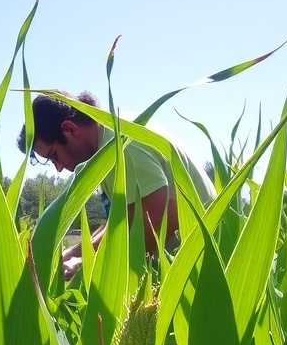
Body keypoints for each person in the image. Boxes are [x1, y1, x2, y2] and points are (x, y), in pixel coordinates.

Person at [17, 91, 215, 276]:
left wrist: (89, 262)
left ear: (70, 129)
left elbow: (156, 215)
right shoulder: (108, 141)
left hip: (204, 260)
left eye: (54, 156)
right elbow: (124, 218)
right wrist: (76, 251)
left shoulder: (123, 142)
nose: (58, 168)